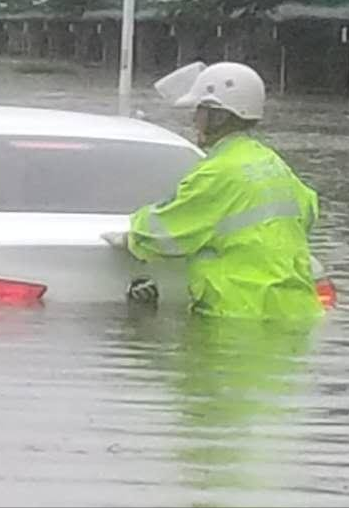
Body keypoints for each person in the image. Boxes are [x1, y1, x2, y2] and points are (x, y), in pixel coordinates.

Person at [125, 62, 323, 319]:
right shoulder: (272, 164)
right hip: (298, 311)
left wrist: (131, 232)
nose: (195, 119)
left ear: (220, 116)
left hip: (241, 313)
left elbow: (157, 234)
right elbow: (308, 212)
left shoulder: (217, 173)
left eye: (201, 111)